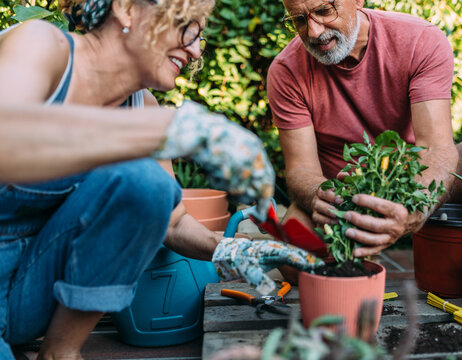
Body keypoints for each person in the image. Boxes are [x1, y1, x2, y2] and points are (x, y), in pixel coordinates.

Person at [0, 0, 323, 359]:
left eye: (200, 33)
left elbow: (172, 221)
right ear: (125, 8)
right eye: (186, 24)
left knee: (146, 183)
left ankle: (61, 353)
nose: (196, 47)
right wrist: (168, 129)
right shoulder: (42, 48)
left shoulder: (141, 105)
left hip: (32, 296)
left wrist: (231, 247)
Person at [266, 0, 462, 262]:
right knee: (292, 254)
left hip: (418, 181)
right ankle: (358, 254)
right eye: (299, 20)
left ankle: (457, 253)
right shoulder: (286, 70)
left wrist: (414, 207)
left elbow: (435, 149)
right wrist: (319, 194)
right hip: (346, 199)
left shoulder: (418, 40)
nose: (314, 31)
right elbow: (301, 171)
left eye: (324, 10)